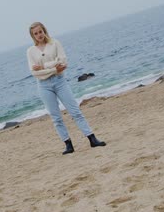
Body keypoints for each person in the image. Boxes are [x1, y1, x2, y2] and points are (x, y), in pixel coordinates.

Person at [26, 22, 106, 155]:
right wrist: (53, 68)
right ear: (32, 36)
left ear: (44, 31)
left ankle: (92, 139)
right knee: (56, 117)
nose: (39, 35)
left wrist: (44, 67)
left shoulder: (55, 43)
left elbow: (63, 64)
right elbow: (34, 73)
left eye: (40, 32)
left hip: (60, 81)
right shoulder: (30, 51)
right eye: (36, 33)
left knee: (75, 111)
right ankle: (68, 145)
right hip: (44, 86)